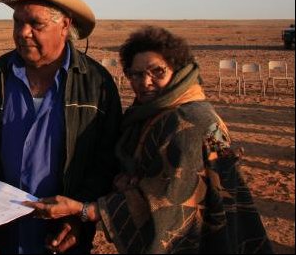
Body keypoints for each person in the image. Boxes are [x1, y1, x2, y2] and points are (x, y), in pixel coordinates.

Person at [25, 26, 273, 254]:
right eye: (136, 74)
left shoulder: (191, 121)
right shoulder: (149, 113)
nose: (145, 82)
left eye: (157, 71)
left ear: (177, 70)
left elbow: (171, 200)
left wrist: (86, 211)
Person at [0, 0, 122, 253]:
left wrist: (77, 215)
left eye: (35, 24)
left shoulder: (97, 85)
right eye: (17, 22)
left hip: (62, 237)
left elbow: (107, 162)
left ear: (64, 25)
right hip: (5, 233)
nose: (23, 32)